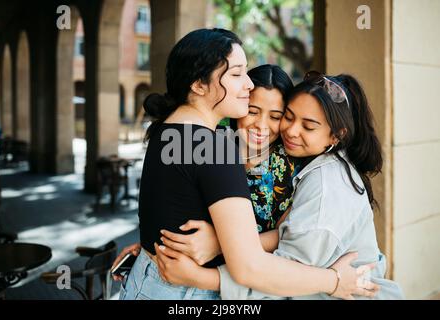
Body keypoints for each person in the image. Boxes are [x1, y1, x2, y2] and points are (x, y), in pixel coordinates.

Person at [118, 28, 377, 300]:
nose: (249, 84)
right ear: (199, 84)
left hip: (149, 282)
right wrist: (335, 281)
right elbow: (249, 267)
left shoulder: (168, 130)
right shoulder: (215, 147)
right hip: (182, 292)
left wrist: (153, 244)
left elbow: (177, 207)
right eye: (236, 73)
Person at [154, 71, 404, 300]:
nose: (291, 131)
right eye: (289, 117)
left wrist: (213, 256)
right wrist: (151, 242)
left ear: (336, 135)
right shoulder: (218, 146)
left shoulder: (306, 175)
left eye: (276, 116)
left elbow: (282, 268)